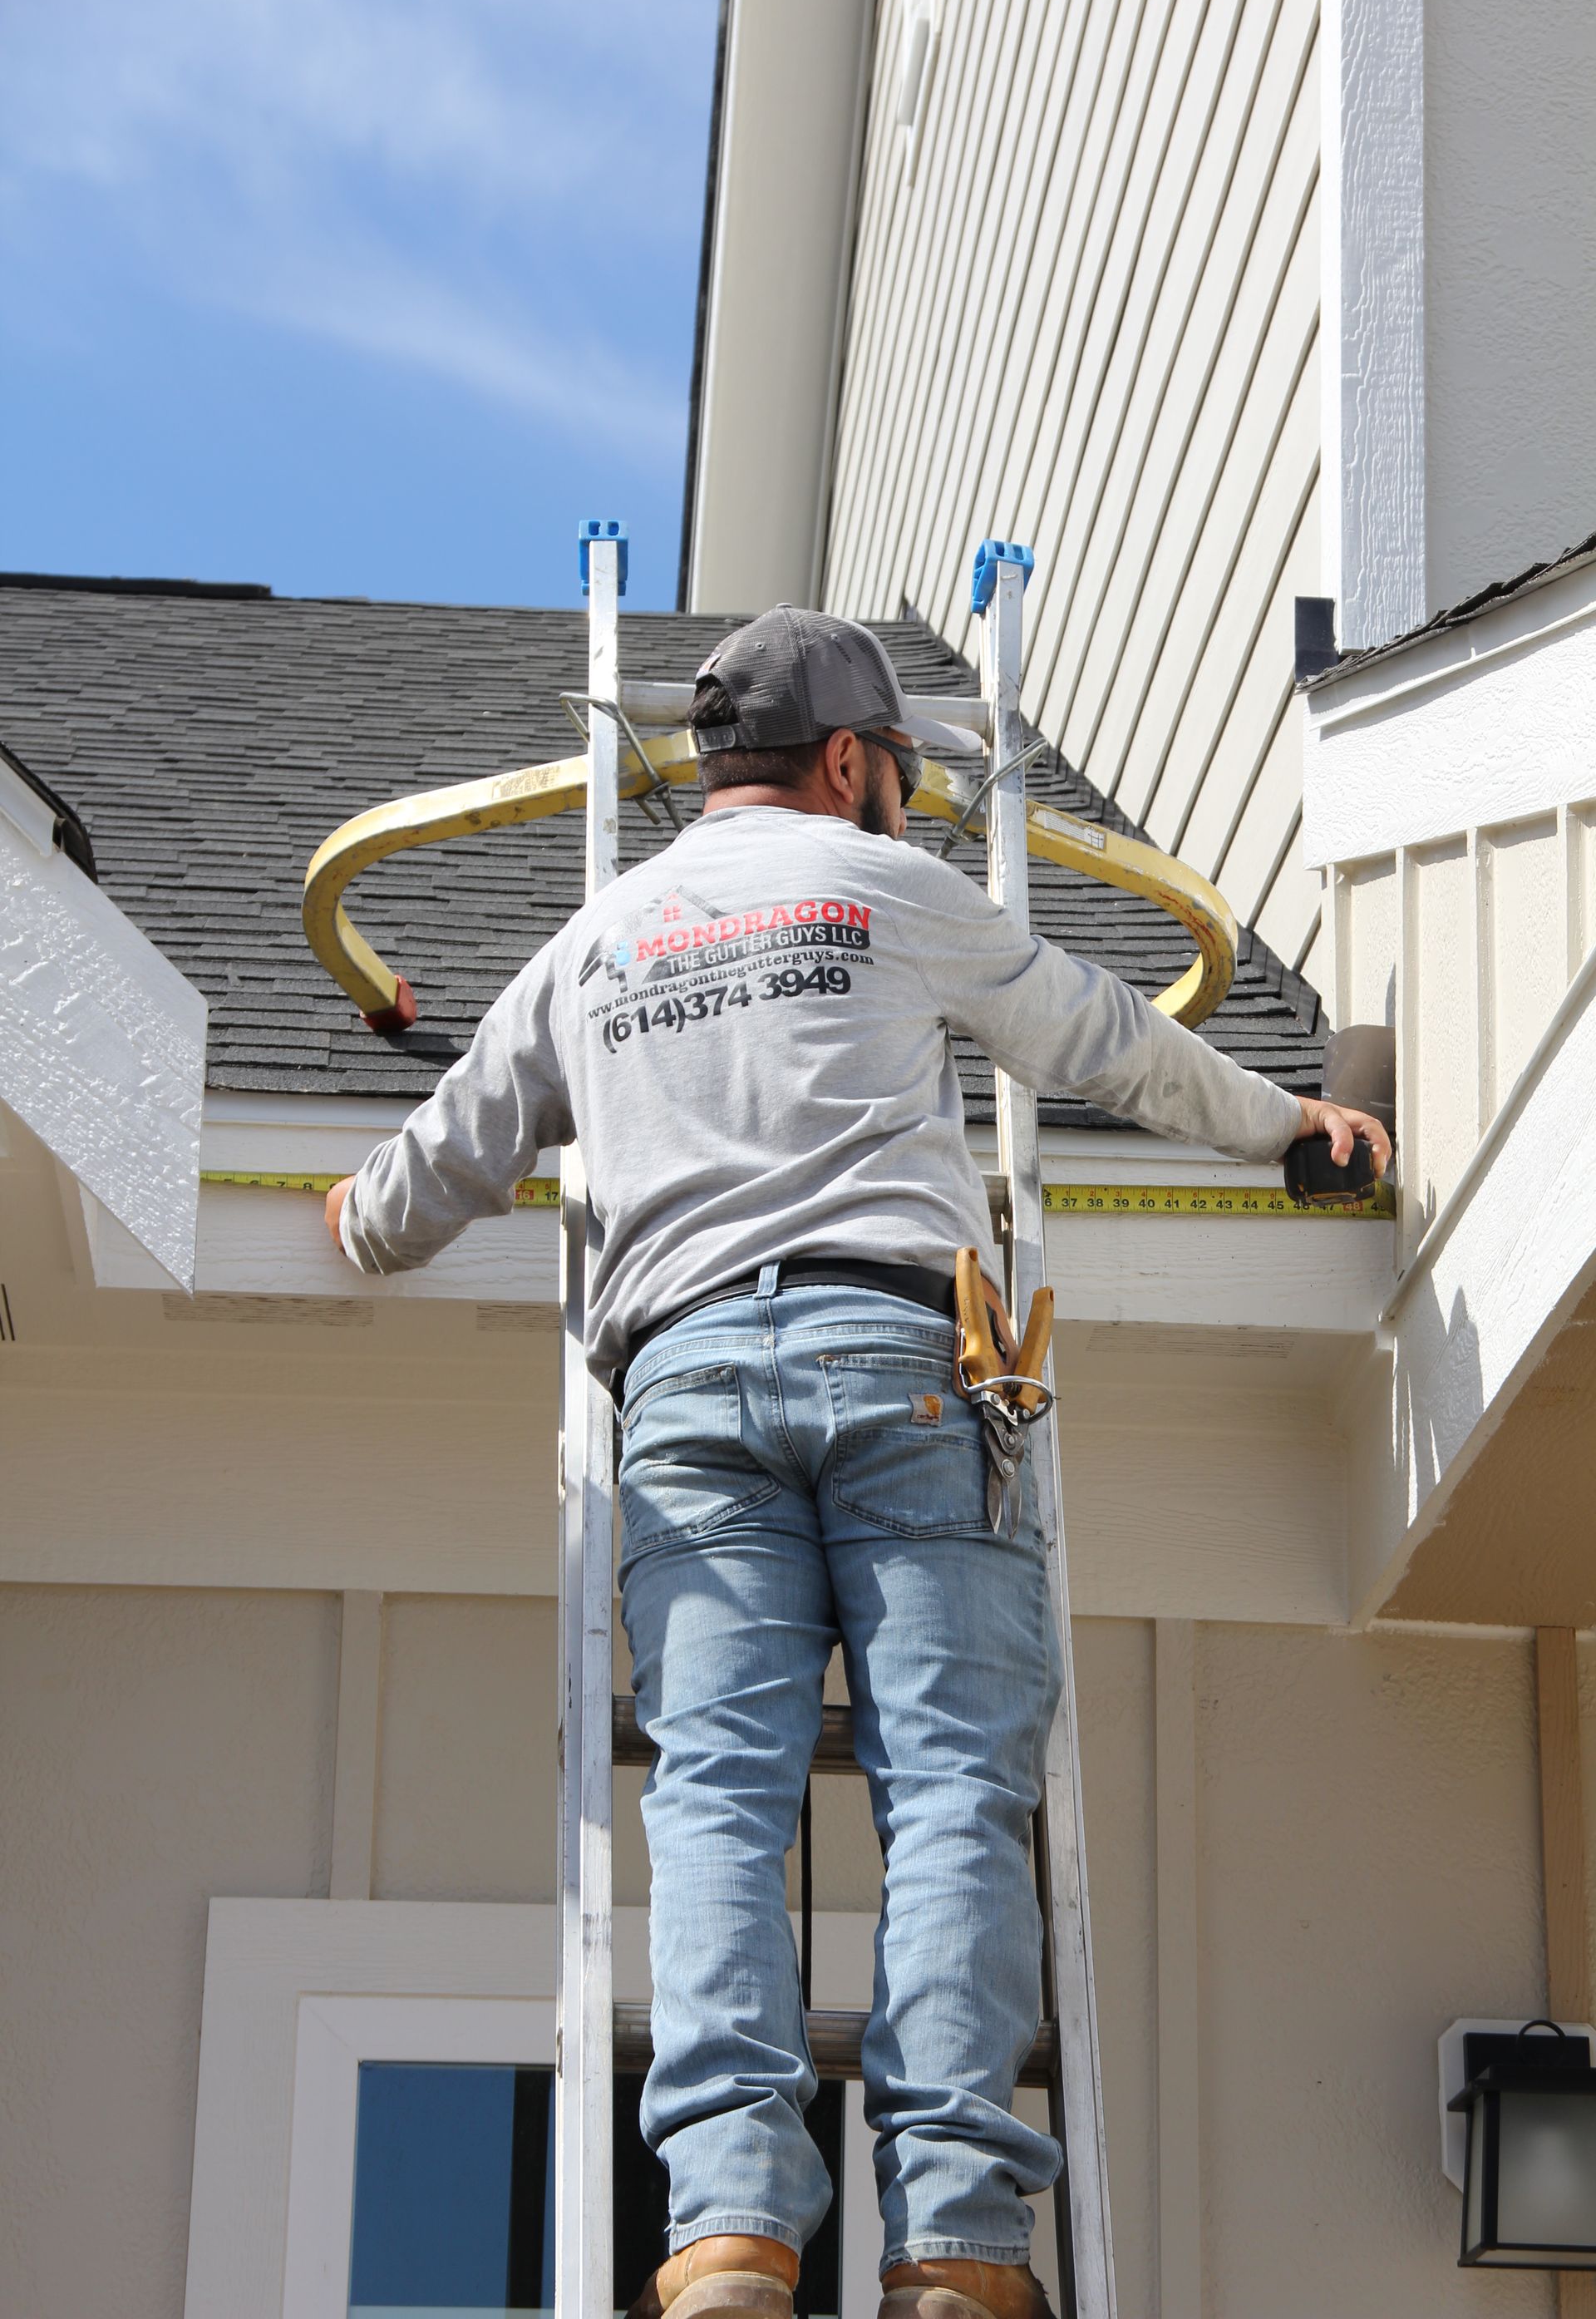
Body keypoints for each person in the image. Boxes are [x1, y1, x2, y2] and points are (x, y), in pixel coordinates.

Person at [323, 606, 1390, 2319]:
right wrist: (1296, 1126)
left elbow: (422, 1182)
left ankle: (733, 2229)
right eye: (896, 775)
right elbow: (1101, 1040)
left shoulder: (593, 944)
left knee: (724, 1807)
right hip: (899, 1361)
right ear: (847, 762)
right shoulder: (887, 890)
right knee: (958, 1790)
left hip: (680, 1405)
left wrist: (354, 1219)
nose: (900, 803)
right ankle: (958, 2244)